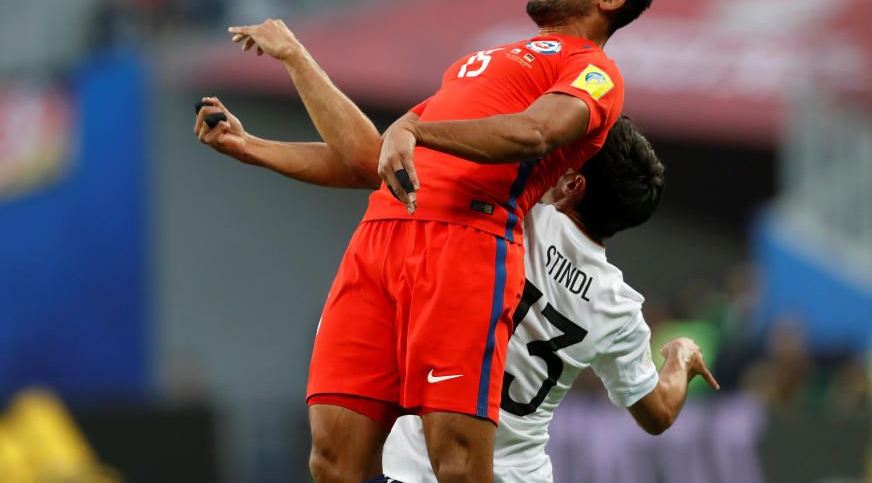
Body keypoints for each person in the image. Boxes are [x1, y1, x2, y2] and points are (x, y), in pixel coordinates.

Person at [201, 0, 657, 483]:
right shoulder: (484, 62)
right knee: (332, 460)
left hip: (465, 243)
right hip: (381, 237)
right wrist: (260, 131)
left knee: (458, 467)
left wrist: (418, 127)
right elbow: (372, 157)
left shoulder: (596, 73)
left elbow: (536, 133)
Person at [197, 88, 719, 481]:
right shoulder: (619, 307)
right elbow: (656, 414)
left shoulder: (514, 214)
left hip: (430, 469)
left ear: (572, 182)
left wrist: (283, 86)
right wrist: (681, 356)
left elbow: (365, 160)